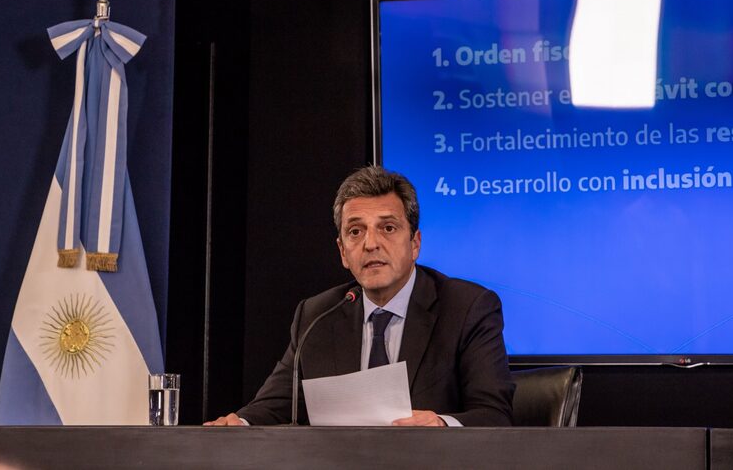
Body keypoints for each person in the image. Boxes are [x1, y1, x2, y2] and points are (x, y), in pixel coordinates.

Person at [205, 165, 514, 427]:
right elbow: (276, 403)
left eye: (388, 228)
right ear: (342, 251)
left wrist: (442, 424)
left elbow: (495, 416)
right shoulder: (317, 315)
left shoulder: (467, 308)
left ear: (415, 243)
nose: (370, 244)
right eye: (355, 231)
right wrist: (238, 423)